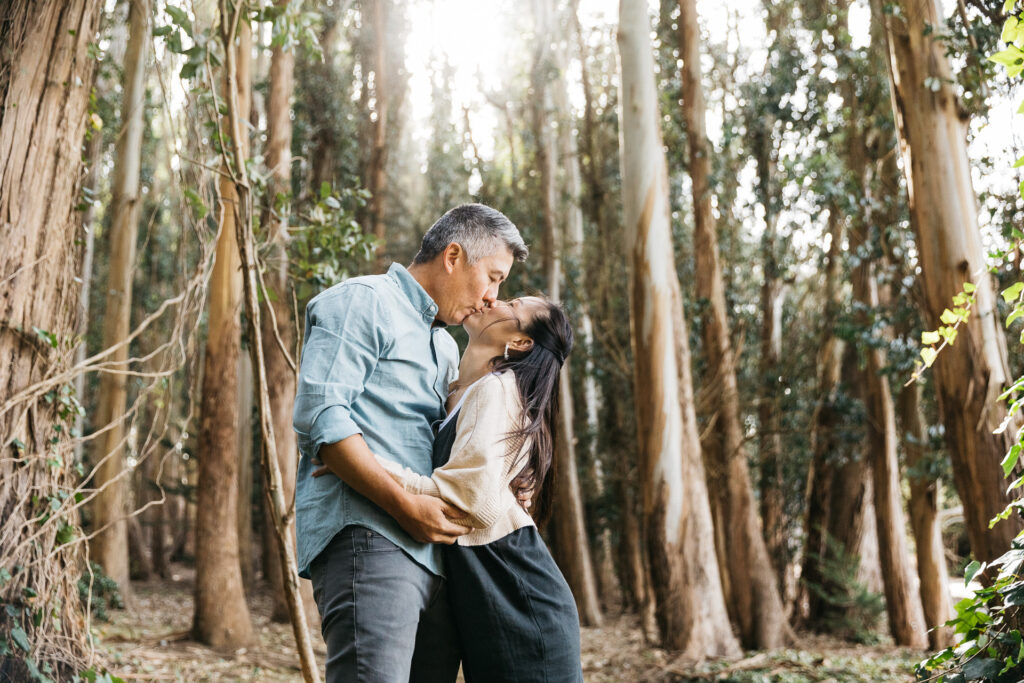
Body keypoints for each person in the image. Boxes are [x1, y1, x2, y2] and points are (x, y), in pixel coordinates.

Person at [292, 204, 528, 682]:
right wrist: (402, 504)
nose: (491, 298)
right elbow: (322, 416)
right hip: (370, 534)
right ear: (454, 255)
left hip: (437, 558)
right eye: (493, 277)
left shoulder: (444, 345)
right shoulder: (363, 301)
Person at [370, 296, 584, 682]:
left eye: (512, 304)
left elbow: (470, 503)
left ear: (520, 343)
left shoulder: (499, 390)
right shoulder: (458, 391)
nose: (492, 298)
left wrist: (363, 466)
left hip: (518, 598)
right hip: (485, 602)